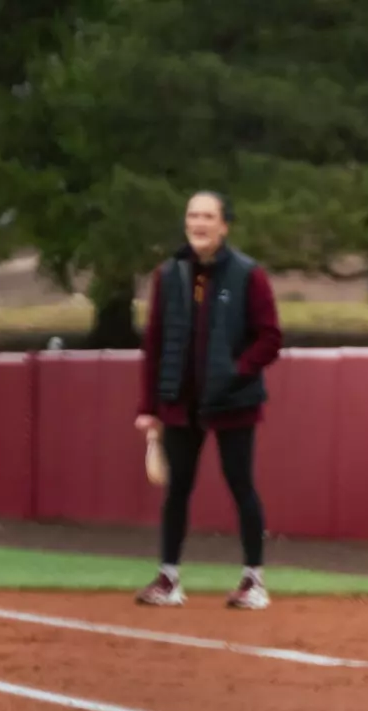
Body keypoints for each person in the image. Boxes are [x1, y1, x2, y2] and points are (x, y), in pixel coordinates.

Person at [134, 191, 283, 610]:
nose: (198, 223)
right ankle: (169, 578)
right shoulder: (169, 275)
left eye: (207, 216)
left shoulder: (248, 275)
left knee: (241, 485)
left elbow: (270, 337)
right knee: (177, 489)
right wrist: (148, 407)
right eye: (192, 215)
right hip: (181, 402)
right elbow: (155, 342)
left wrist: (236, 371)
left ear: (224, 225)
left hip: (233, 401)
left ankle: (253, 580)